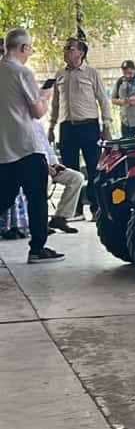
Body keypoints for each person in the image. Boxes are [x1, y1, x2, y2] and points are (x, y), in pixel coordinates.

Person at [0, 28, 64, 262]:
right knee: (37, 199)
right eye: (30, 49)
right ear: (24, 48)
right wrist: (45, 96)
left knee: (4, 197)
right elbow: (37, 112)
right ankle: (37, 248)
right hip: (27, 147)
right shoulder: (22, 73)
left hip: (3, 149)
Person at [47, 37, 112, 218]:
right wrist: (51, 126)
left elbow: (103, 100)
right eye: (65, 48)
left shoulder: (92, 73)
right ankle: (74, 210)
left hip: (89, 126)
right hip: (67, 127)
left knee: (93, 167)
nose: (65, 51)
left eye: (70, 48)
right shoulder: (60, 74)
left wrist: (106, 125)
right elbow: (55, 103)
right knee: (69, 169)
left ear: (81, 53)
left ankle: (95, 207)